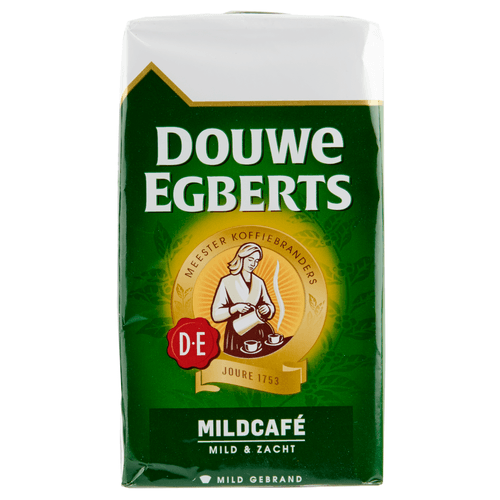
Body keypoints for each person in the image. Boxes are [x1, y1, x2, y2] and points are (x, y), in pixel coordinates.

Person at [211, 243, 275, 355]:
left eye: (256, 261)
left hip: (257, 330)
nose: (253, 264)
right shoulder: (226, 281)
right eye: (250, 259)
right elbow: (216, 314)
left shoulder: (259, 282)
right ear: (241, 257)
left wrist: (267, 309)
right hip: (236, 331)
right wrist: (235, 308)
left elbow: (270, 305)